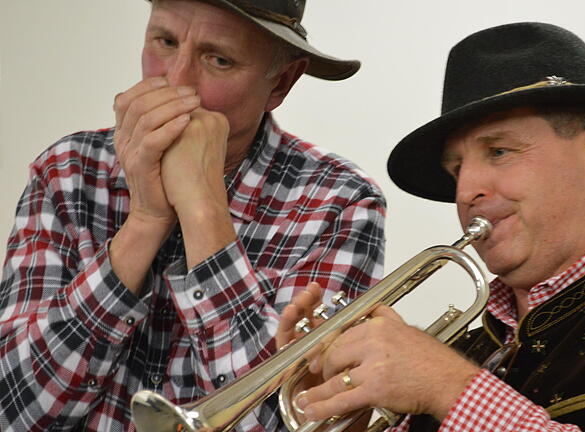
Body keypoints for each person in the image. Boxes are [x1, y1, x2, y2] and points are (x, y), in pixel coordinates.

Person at [283, 22, 585, 431]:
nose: (465, 189)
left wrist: (448, 387)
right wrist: (333, 409)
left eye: (499, 151)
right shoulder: (470, 345)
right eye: (456, 169)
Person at [0, 0, 386, 431]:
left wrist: (204, 210)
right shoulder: (68, 170)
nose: (175, 80)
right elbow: (13, 411)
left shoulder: (341, 203)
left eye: (218, 59)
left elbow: (281, 423)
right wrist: (145, 221)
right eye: (165, 41)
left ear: (281, 82)